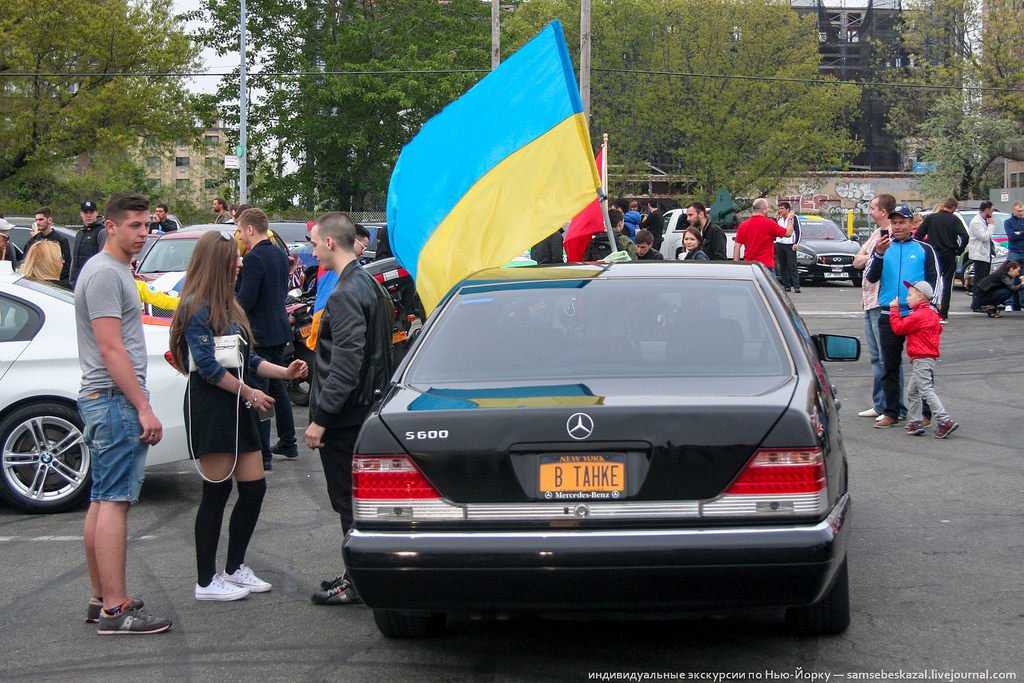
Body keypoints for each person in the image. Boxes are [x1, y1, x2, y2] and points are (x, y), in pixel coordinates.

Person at [169, 231, 308, 602]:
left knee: (254, 488)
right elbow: (209, 367)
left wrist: (284, 373)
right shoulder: (197, 306)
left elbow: (246, 360)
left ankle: (234, 568)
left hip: (239, 403)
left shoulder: (230, 306)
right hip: (213, 407)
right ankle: (205, 581)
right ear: (219, 263)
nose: (241, 263)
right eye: (235, 258)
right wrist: (249, 392)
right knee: (216, 492)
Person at [75, 191, 172, 634]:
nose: (144, 233)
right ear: (109, 226)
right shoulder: (104, 275)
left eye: (146, 224)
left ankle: (102, 599)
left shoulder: (111, 271)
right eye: (134, 225)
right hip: (113, 400)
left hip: (107, 400)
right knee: (114, 501)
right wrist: (143, 406)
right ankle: (116, 609)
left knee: (102, 498)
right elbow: (110, 347)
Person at [305, 212, 395, 606]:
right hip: (367, 408)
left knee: (349, 503)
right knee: (359, 502)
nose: (311, 251)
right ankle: (357, 572)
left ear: (329, 243)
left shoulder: (344, 293)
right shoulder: (370, 285)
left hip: (347, 417)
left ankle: (359, 580)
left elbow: (346, 364)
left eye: (313, 243)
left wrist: (321, 420)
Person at [865, 204, 939, 428]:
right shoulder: (882, 248)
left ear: (911, 224)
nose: (897, 227)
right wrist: (878, 254)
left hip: (918, 314)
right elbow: (870, 277)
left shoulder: (924, 249)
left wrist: (934, 307)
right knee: (889, 365)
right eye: (894, 223)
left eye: (902, 222)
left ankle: (925, 413)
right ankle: (891, 412)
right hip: (890, 313)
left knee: (921, 364)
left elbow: (936, 278)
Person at [235, 208, 298, 467]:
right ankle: (289, 441)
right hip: (279, 327)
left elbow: (246, 301)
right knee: (278, 388)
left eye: (239, 229)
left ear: (250, 229)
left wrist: (228, 306)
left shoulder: (253, 259)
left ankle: (263, 453)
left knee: (259, 392)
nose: (238, 234)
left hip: (259, 332)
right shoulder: (279, 255)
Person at [852, 193, 905, 422]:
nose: (870, 212)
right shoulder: (876, 234)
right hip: (868, 301)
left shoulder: (892, 236)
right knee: (875, 357)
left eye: (873, 208)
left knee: (888, 358)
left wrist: (869, 257)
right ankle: (880, 404)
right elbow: (857, 260)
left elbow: (873, 262)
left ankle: (895, 407)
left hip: (881, 303)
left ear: (883, 212)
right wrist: (868, 256)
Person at [888, 281, 958, 438]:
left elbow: (899, 328)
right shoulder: (932, 314)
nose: (907, 298)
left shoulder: (919, 315)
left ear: (920, 297)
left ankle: (944, 420)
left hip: (921, 357)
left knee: (925, 389)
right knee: (913, 391)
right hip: (926, 357)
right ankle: (915, 421)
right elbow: (938, 328)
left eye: (910, 295)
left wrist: (894, 310)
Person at [915, 196, 967, 320]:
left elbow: (918, 235)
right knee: (947, 282)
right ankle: (943, 313)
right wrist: (959, 250)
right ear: (954, 207)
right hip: (949, 253)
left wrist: (924, 248)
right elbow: (965, 236)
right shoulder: (954, 219)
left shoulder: (931, 218)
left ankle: (929, 308)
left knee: (932, 280)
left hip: (933, 253)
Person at [733, 198, 792, 273]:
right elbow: (788, 233)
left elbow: (736, 246)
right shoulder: (769, 224)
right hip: (766, 266)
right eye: (767, 208)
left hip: (749, 266)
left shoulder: (743, 225)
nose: (768, 210)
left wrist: (736, 266)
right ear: (763, 210)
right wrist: (790, 219)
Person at [25, 206, 71, 283]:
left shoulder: (61, 240)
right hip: (36, 281)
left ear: (49, 220)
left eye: (41, 219)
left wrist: (58, 279)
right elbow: (26, 261)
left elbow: (67, 263)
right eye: (36, 220)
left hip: (55, 280)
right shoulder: (33, 241)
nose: (38, 222)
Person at [71, 199, 108, 288]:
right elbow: (75, 259)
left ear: (96, 213)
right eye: (85, 212)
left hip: (94, 282)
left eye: (91, 212)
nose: (88, 215)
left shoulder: (102, 232)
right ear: (81, 214)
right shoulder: (79, 233)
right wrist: (72, 279)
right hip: (78, 282)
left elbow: (105, 259)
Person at [966, 201, 995, 304]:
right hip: (979, 255)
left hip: (985, 254)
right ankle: (976, 303)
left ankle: (981, 301)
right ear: (986, 209)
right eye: (991, 210)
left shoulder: (984, 220)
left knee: (984, 280)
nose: (992, 213)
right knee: (980, 280)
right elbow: (984, 236)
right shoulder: (976, 222)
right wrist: (991, 226)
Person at [774, 201, 801, 292]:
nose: (780, 210)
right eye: (779, 209)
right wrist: (775, 218)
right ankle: (787, 285)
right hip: (780, 243)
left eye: (782, 209)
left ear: (787, 209)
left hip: (790, 244)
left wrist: (796, 243)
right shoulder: (779, 219)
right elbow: (774, 229)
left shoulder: (794, 218)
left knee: (792, 265)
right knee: (782, 265)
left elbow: (798, 231)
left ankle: (796, 286)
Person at [1003, 202, 1024, 310]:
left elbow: (1016, 235)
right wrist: (1020, 234)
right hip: (1014, 253)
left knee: (1022, 279)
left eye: (1022, 211)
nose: (1021, 213)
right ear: (1013, 210)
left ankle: (1022, 303)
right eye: (1018, 211)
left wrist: (1019, 233)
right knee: (1011, 278)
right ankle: (1009, 303)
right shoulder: (1008, 222)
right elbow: (1011, 236)